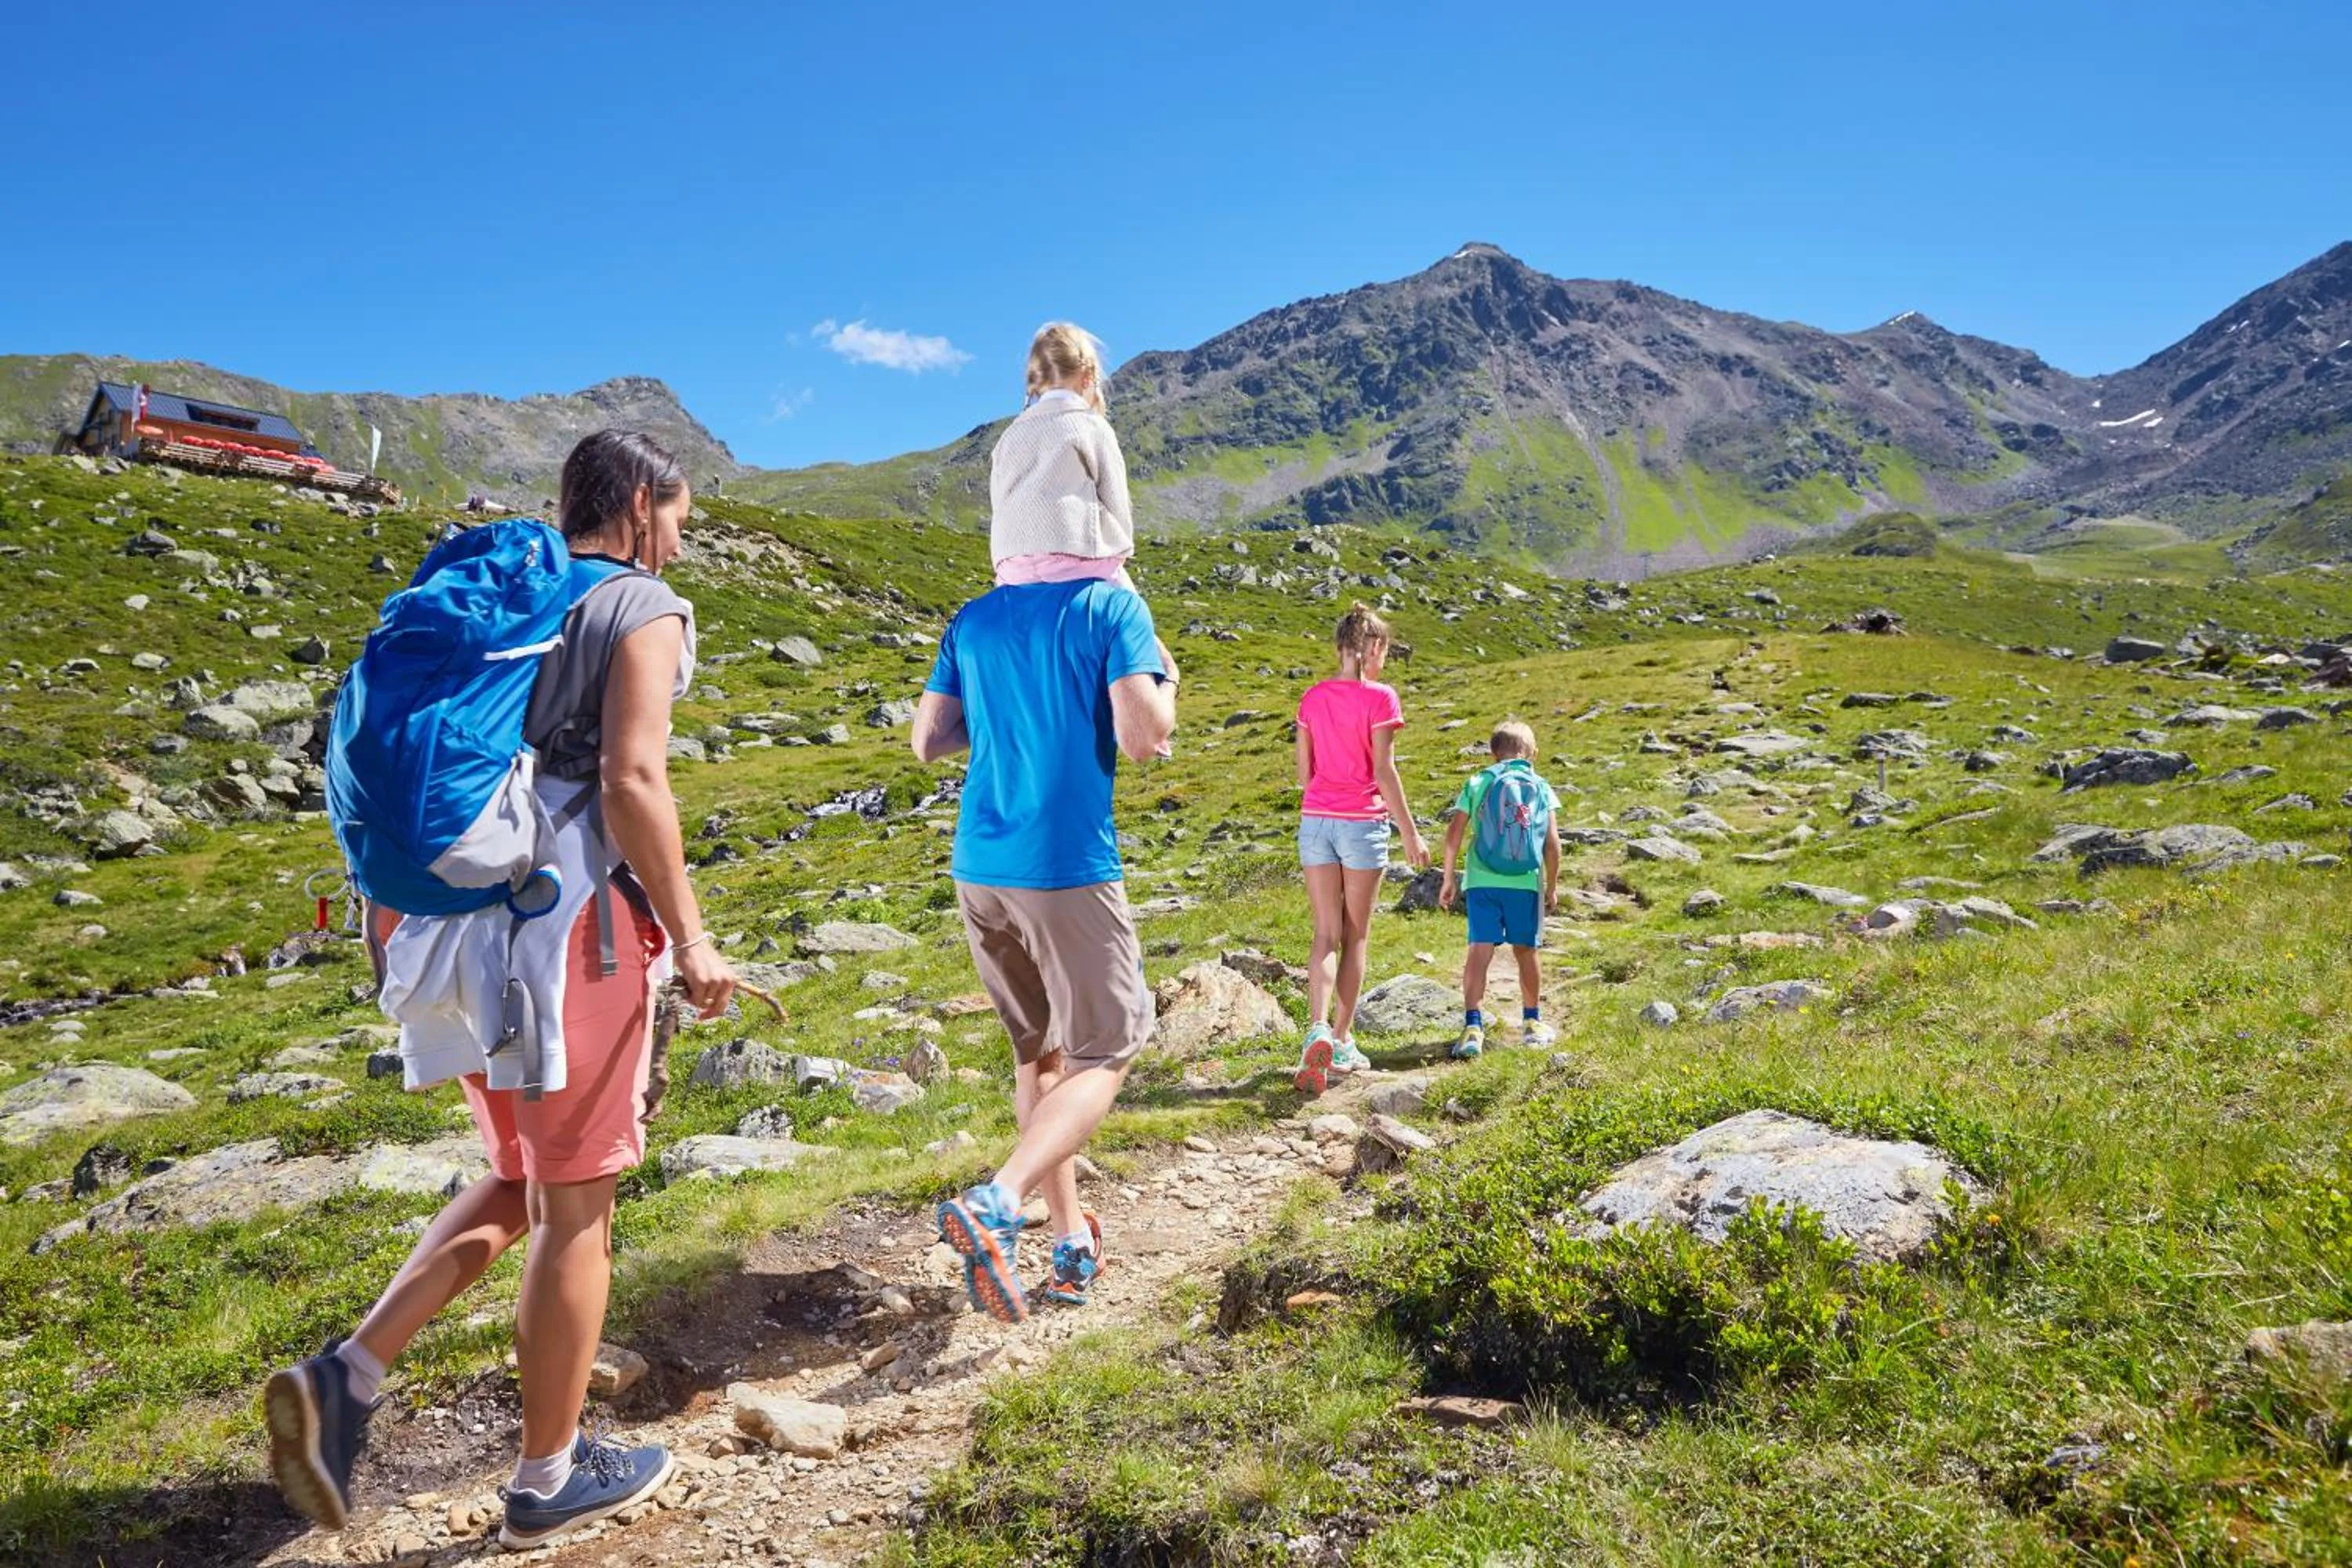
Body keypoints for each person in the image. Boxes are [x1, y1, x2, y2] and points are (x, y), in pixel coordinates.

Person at [265, 431, 737, 1550]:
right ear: (636, 503)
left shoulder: (503, 605)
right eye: (678, 519)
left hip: (449, 936)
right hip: (571, 942)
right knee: (578, 1211)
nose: (678, 543)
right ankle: (547, 1477)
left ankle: (348, 1377)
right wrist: (696, 939)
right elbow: (631, 780)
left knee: (519, 1177)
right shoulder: (639, 608)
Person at [911, 571, 1178, 1323]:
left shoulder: (972, 617)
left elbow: (927, 740)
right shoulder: (1111, 605)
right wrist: (1168, 682)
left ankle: (1070, 1246)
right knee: (1112, 1045)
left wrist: (1004, 721)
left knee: (1041, 1057)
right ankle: (1000, 1199)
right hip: (1064, 868)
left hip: (980, 868)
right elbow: (1146, 734)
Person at [1292, 603, 1429, 1096]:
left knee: (1324, 933)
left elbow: (1304, 775)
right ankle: (1343, 1040)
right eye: (1385, 650)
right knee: (1357, 935)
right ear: (1373, 649)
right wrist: (1411, 833)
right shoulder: (1381, 698)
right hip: (1361, 824)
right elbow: (1383, 771)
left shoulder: (1312, 698)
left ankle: (1315, 1028)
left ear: (1338, 648)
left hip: (1316, 821)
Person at [1439, 720, 1563, 1058]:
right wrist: (1551, 886)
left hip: (1482, 879)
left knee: (1480, 951)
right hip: (1525, 881)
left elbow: (1454, 834)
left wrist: (1449, 877)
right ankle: (1532, 1024)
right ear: (1532, 752)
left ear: (1494, 753)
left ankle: (1472, 1028)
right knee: (1526, 950)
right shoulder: (1541, 785)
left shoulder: (1479, 781)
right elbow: (1553, 844)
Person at [989, 321, 1135, 588]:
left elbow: (999, 503)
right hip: (1075, 560)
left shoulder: (1008, 436)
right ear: (1088, 375)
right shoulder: (1091, 426)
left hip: (1010, 568)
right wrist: (1120, 551)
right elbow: (1116, 502)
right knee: (1135, 618)